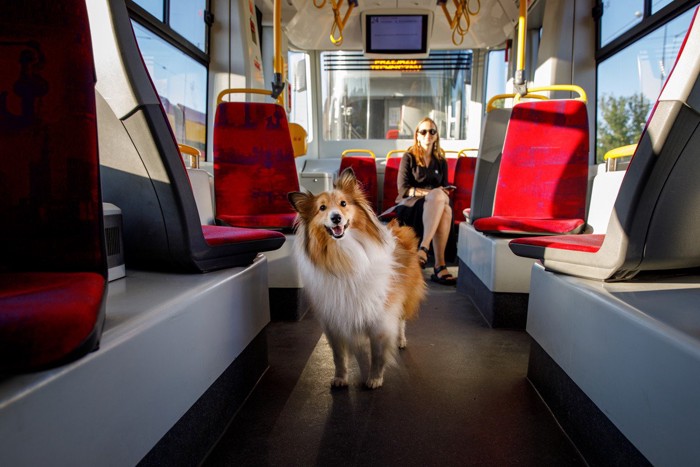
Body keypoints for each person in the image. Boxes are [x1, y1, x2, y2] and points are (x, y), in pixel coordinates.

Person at [394, 117, 456, 286]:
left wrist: (439, 193)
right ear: (417, 135)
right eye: (424, 131)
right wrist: (431, 193)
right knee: (439, 200)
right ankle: (439, 265)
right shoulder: (409, 157)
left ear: (436, 136)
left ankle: (424, 250)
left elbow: (444, 188)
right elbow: (403, 189)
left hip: (434, 205)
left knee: (445, 207)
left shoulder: (441, 161)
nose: (428, 135)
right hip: (410, 204)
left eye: (432, 131)